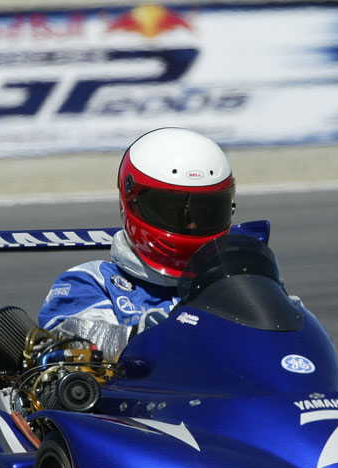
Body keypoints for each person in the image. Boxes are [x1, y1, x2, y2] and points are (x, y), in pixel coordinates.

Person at [38, 127, 237, 360]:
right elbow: (71, 337)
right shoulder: (91, 282)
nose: (192, 225)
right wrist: (143, 338)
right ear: (131, 202)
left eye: (205, 211)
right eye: (172, 210)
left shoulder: (235, 284)